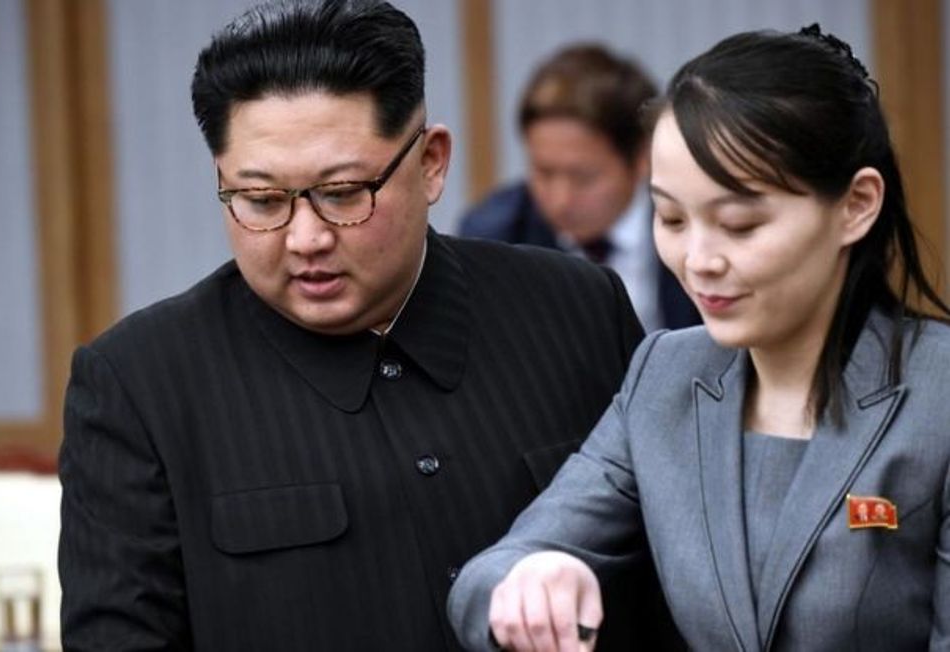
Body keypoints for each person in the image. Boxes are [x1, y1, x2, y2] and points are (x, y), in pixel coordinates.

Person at [56, 1, 671, 650]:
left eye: (344, 192)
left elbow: (675, 588)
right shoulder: (140, 386)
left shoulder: (577, 311)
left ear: (431, 162)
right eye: (261, 200)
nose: (306, 237)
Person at [449, 24, 950, 652]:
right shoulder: (666, 373)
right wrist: (531, 575)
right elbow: (488, 577)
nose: (698, 259)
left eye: (739, 224)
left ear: (856, 205)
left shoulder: (938, 396)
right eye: (672, 218)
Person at [458, 44, 699, 332]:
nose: (560, 201)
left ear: (641, 159)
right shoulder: (494, 239)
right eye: (544, 173)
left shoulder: (697, 225)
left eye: (583, 177)